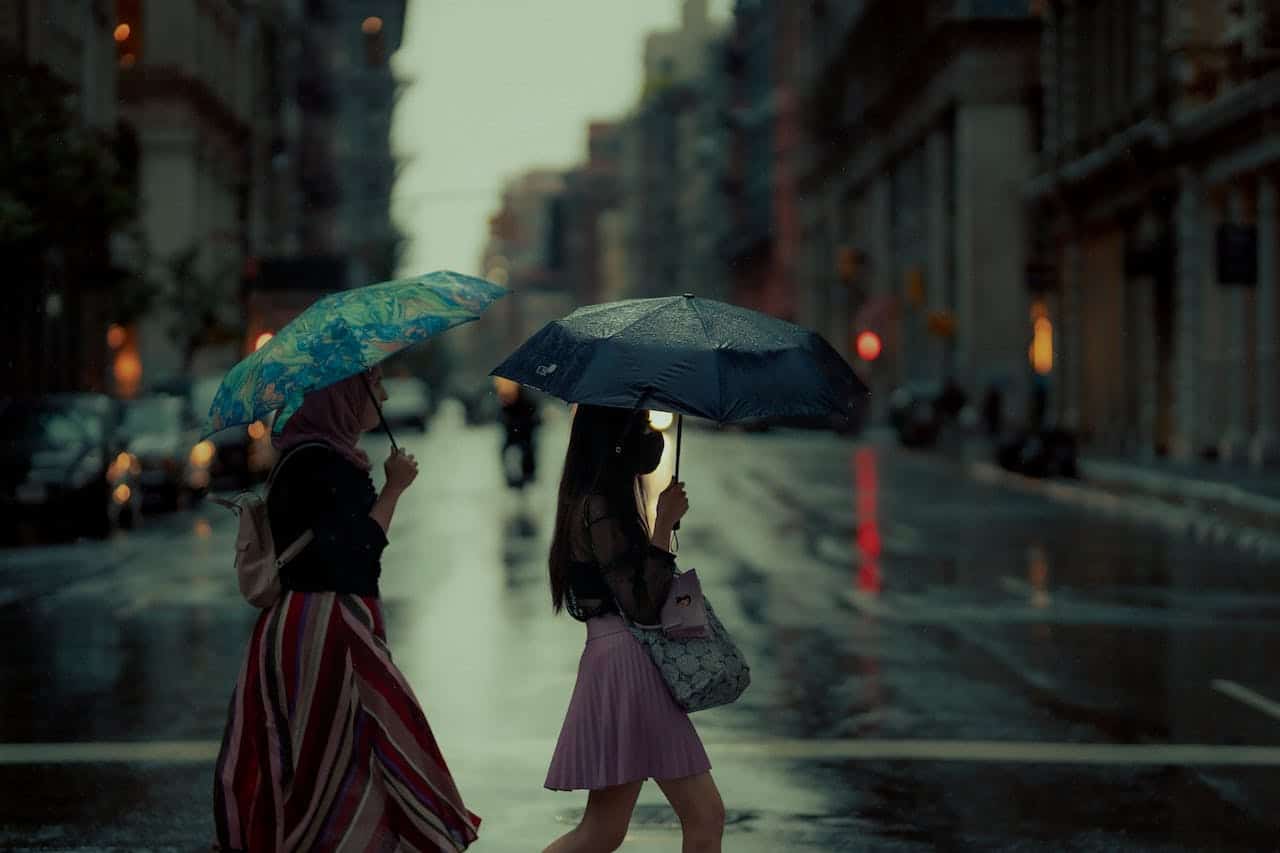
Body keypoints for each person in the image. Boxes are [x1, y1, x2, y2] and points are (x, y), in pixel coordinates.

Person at [213, 367, 480, 853]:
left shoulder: (313, 456)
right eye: (371, 386)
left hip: (309, 627)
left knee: (331, 755)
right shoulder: (321, 465)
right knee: (354, 752)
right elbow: (357, 552)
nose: (383, 394)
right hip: (326, 629)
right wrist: (394, 489)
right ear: (341, 397)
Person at [542, 404, 725, 853]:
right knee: (704, 816)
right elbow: (641, 604)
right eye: (640, 422)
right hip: (630, 662)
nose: (649, 434)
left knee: (602, 831)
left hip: (614, 657)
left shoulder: (592, 495)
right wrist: (662, 525)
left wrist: (659, 529)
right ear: (615, 432)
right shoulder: (601, 503)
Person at [500, 384, 541, 489]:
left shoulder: (525, 402)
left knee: (527, 452)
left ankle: (527, 476)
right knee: (506, 452)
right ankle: (516, 477)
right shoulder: (510, 402)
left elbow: (534, 419)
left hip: (524, 434)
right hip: (514, 434)